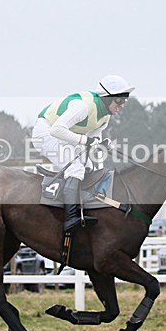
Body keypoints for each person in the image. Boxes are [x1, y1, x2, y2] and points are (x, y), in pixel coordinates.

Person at [31, 74, 134, 234]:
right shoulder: (83, 107)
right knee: (76, 169)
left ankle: (86, 207)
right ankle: (70, 217)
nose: (122, 105)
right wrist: (85, 141)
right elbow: (56, 130)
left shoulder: (105, 116)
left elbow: (93, 139)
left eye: (124, 101)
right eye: (119, 101)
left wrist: (101, 143)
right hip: (46, 133)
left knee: (90, 166)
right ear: (106, 98)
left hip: (66, 135)